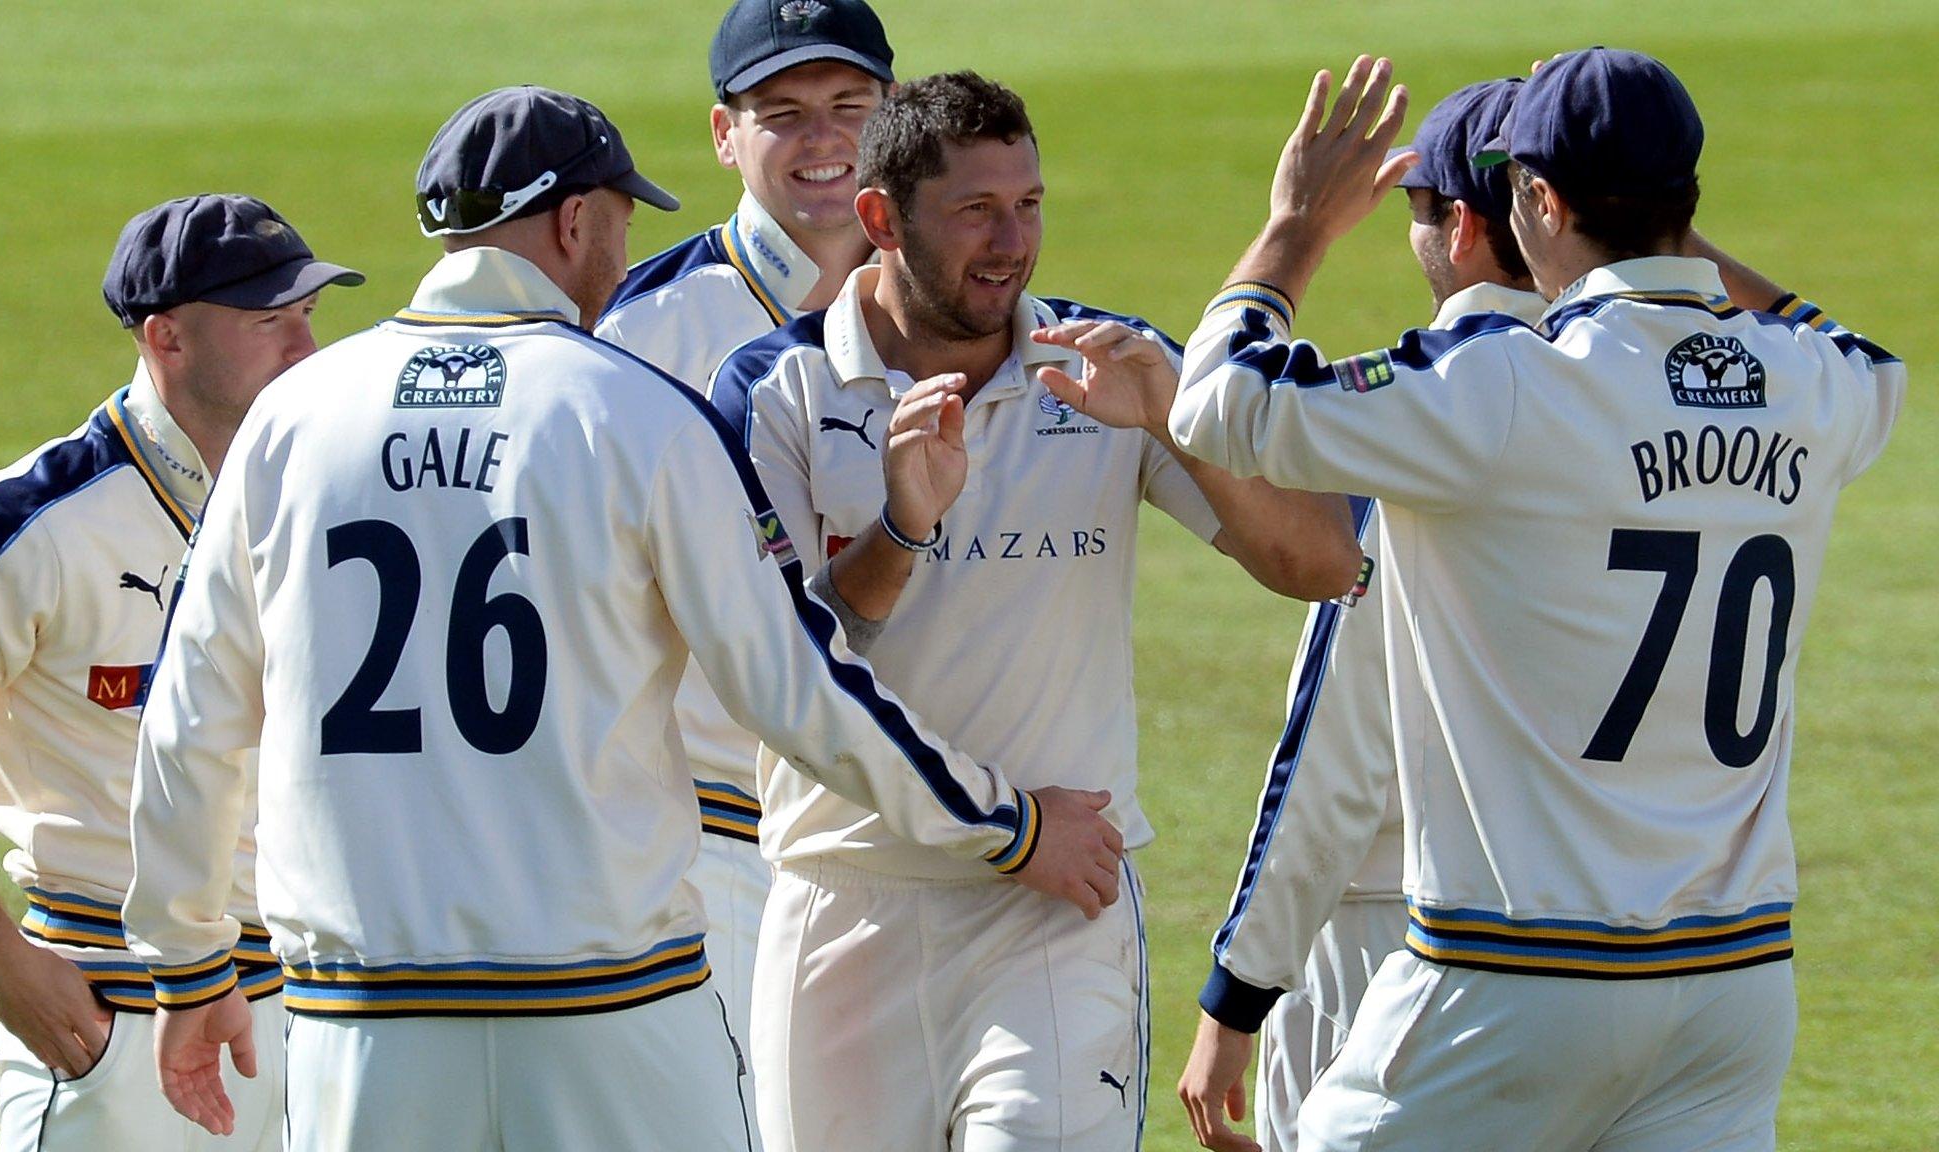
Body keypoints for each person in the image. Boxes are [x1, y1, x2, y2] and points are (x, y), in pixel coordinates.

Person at [119, 85, 1122, 1152]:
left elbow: (189, 715)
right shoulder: (632, 411)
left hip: (359, 1019)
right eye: (621, 218)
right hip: (609, 1008)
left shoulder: (292, 418)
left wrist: (185, 964)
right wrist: (1005, 826)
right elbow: (794, 686)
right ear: (573, 220)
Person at [1167, 52, 1902, 1151]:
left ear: (1539, 201)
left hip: (1513, 979)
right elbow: (1862, 353)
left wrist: (1295, 229)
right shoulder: (1807, 383)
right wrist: (1664, 233)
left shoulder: (1503, 382)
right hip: (1730, 991)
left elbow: (1221, 401)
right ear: (1682, 202)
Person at [709, 71, 1363, 1152]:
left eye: (1028, 204)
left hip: (1059, 907)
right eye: (974, 210)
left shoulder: (1104, 366)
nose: (1011, 243)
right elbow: (782, 664)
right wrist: (900, 531)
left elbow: (1322, 563)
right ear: (880, 218)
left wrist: (1173, 420)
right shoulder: (772, 390)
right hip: (842, 897)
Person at [0, 193, 361, 1150]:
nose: (306, 348)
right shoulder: (30, 521)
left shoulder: (338, 487)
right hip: (116, 1021)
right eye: (271, 321)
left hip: (326, 1014)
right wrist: (5, 962)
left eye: (310, 313)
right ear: (167, 339)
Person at [1175, 76, 1545, 1152]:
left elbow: (1333, 753)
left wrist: (1236, 994)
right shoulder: (1623, 406)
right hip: (1618, 942)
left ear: (1463, 228)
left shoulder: (1432, 418)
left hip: (1395, 937)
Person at [591, 0, 897, 1095]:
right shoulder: (637, 331)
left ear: (893, 114)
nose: (822, 140)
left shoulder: (962, 302)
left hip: (934, 827)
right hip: (723, 835)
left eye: (848, 107)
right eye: (783, 113)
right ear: (724, 134)